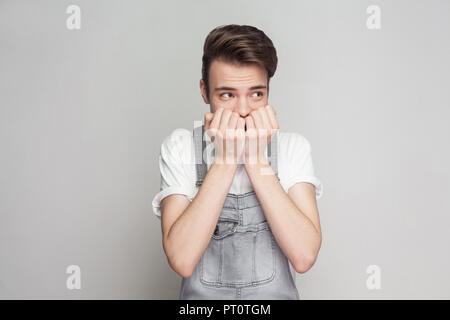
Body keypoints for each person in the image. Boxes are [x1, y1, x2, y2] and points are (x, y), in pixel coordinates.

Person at [152, 24, 323, 300]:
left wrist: (256, 160)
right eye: (227, 95)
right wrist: (226, 159)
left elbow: (304, 256)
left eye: (256, 94)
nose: (243, 111)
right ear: (205, 91)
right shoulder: (181, 147)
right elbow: (181, 259)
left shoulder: (293, 148)